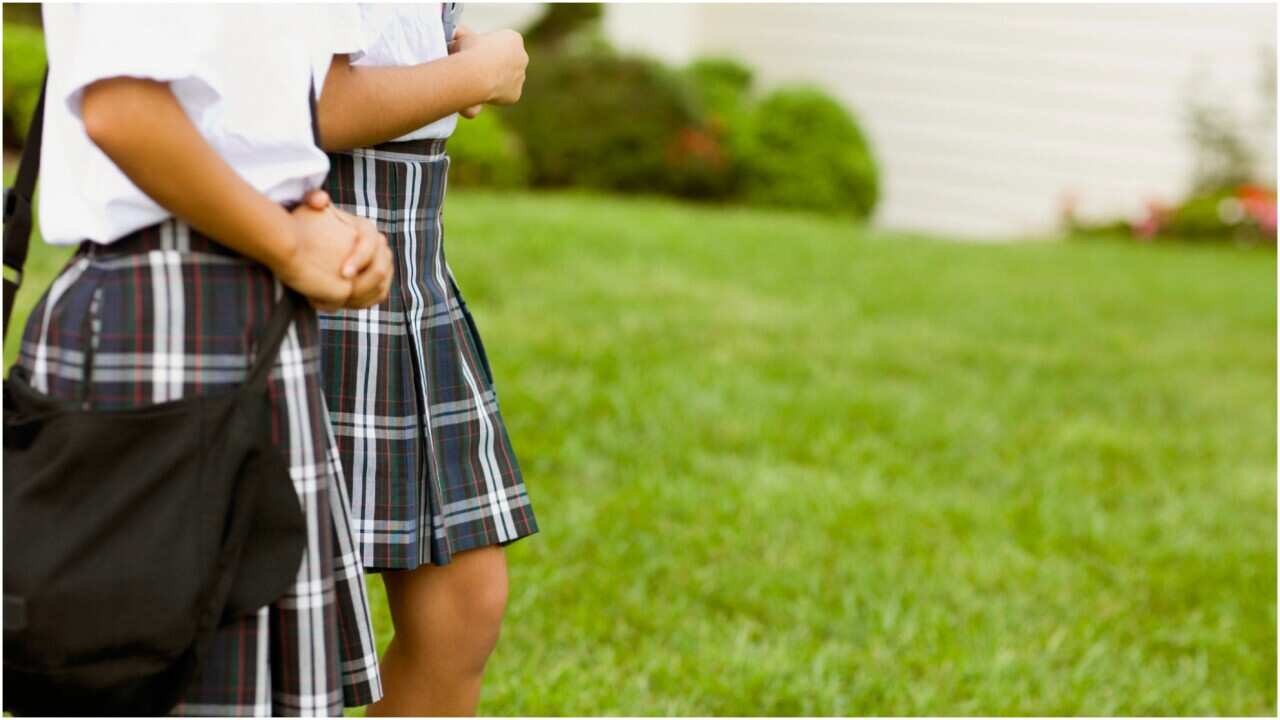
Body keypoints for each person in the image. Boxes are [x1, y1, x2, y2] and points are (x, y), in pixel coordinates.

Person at [16, 5, 390, 715]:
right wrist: (283, 243)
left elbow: (234, 116)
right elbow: (122, 108)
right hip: (171, 314)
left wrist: (324, 230)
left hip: (243, 303)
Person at [304, 4, 539, 715]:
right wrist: (478, 71)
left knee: (464, 606)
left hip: (413, 250)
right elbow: (322, 104)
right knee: (280, 615)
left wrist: (448, 68)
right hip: (312, 228)